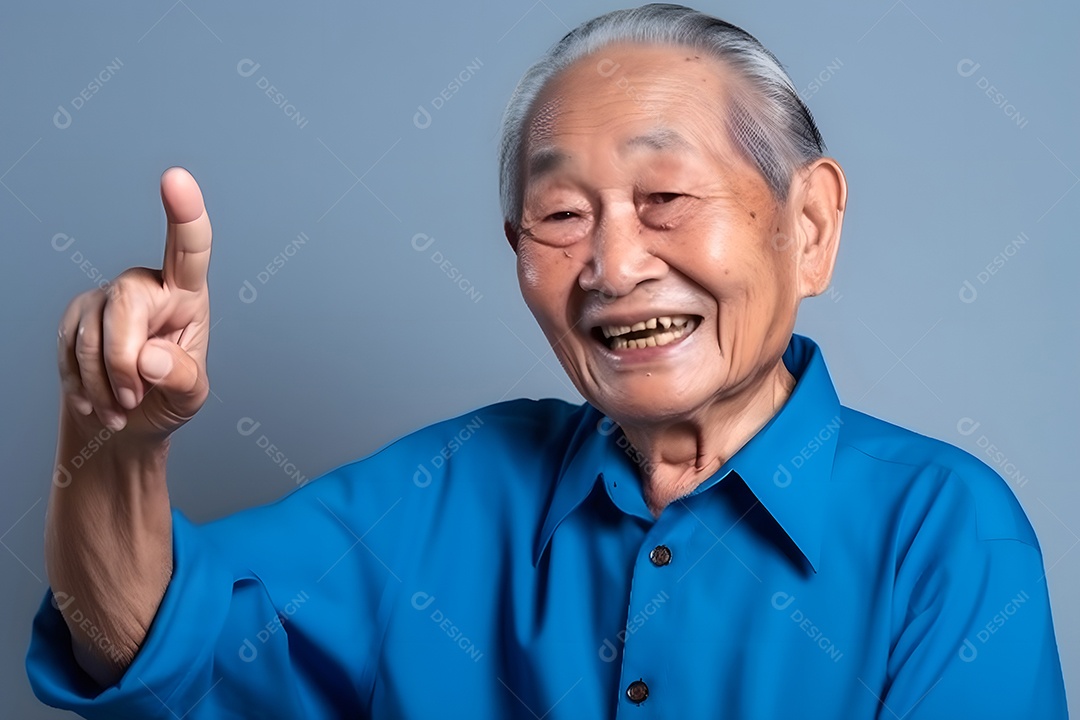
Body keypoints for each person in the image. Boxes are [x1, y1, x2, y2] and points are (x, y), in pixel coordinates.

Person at [27, 4, 1068, 718]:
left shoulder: (945, 533)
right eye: (562, 215)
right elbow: (151, 646)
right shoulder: (452, 488)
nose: (613, 266)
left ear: (809, 227)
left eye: (666, 200)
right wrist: (113, 432)